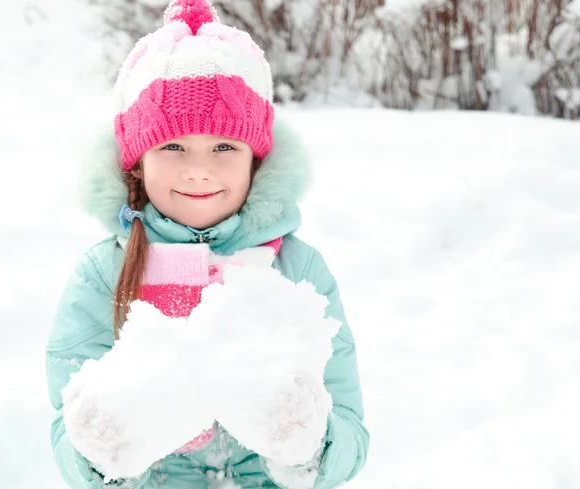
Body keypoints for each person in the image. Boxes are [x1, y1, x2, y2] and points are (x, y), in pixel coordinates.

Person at [45, 1, 369, 488]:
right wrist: (101, 453)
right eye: (172, 146)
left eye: (224, 146)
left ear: (255, 160)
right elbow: (66, 436)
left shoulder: (297, 268)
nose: (199, 169)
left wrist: (309, 449)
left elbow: (351, 430)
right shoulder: (103, 273)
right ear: (136, 162)